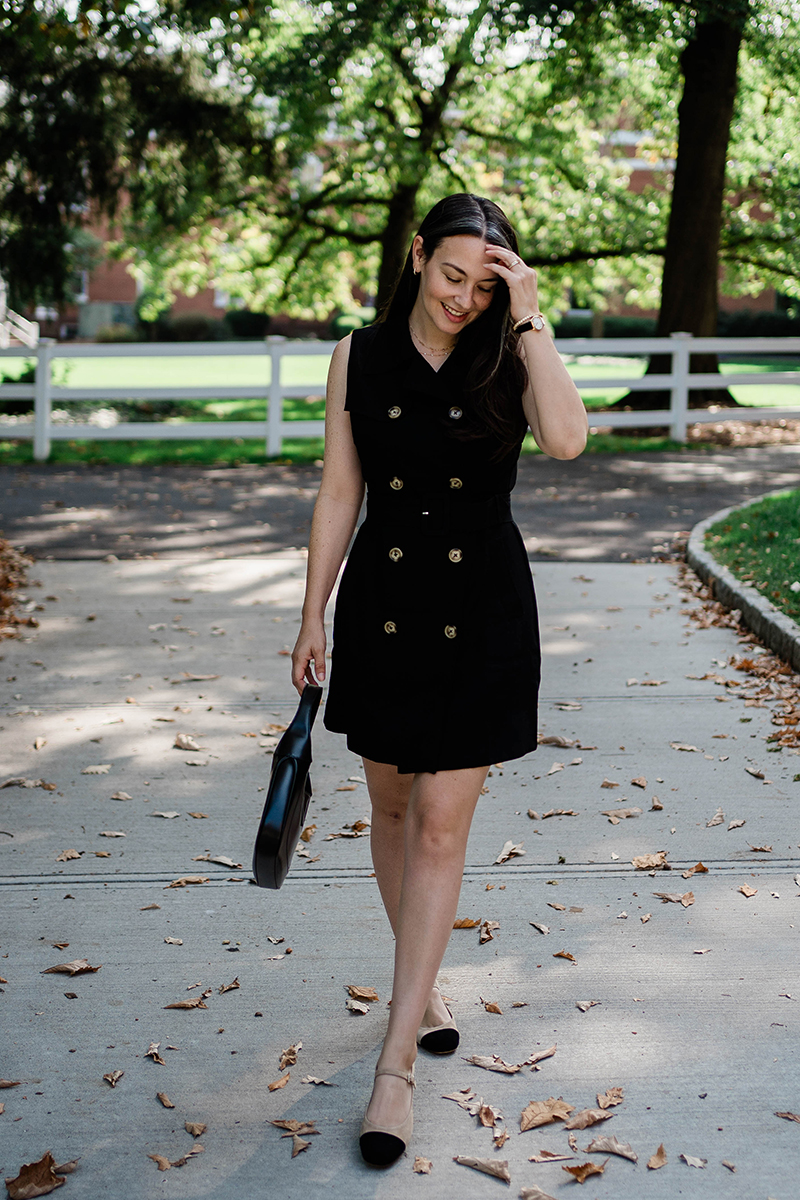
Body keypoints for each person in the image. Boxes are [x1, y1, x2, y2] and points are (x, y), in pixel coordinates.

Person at [291, 193, 587, 1167]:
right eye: (448, 274)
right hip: (383, 605)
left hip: (484, 614)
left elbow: (566, 439)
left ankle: (394, 1068)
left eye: (482, 282)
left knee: (440, 825)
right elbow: (341, 488)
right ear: (416, 257)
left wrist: (531, 312)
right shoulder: (356, 355)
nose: (462, 298)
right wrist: (311, 612)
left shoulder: (510, 352)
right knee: (388, 808)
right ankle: (424, 988)